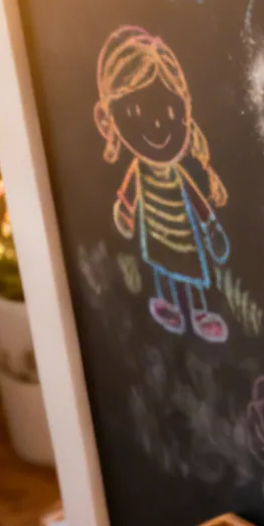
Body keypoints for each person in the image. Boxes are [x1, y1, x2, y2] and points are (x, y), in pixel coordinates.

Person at [94, 26, 232, 342]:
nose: (156, 124)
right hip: (156, 228)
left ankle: (198, 311)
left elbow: (195, 199)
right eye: (137, 112)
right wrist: (126, 211)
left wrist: (211, 226)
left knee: (188, 266)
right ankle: (169, 304)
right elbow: (128, 192)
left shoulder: (176, 173)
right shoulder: (140, 169)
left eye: (170, 112)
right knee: (162, 265)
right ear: (109, 120)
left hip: (181, 229)